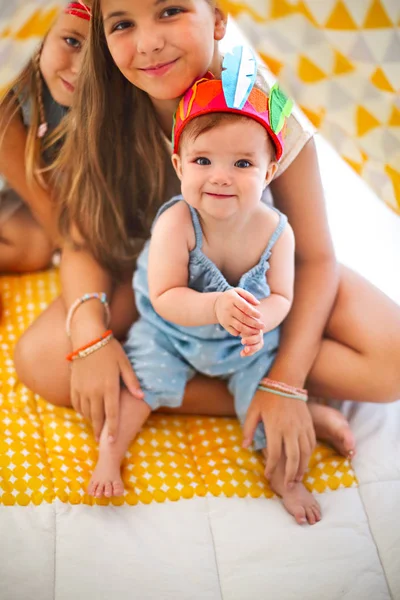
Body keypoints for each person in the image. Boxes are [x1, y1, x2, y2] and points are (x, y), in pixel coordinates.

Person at [14, 0, 400, 516]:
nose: (148, 41)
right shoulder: (105, 104)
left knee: (391, 360)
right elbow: (82, 238)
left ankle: (273, 393)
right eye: (123, 23)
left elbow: (313, 256)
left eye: (169, 11)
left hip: (256, 280)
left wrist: (285, 377)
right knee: (42, 360)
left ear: (218, 17)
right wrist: (89, 338)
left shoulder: (266, 105)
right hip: (162, 281)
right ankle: (252, 404)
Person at [85, 60, 321, 525]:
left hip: (244, 348)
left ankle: (287, 478)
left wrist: (261, 321)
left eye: (242, 163)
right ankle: (109, 455)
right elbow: (167, 295)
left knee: (267, 409)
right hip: (170, 333)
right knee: (135, 386)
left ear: (270, 170)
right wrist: (216, 304)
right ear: (178, 164)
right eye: (202, 161)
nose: (220, 176)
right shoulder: (177, 223)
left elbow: (282, 297)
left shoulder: (278, 232)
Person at [0, 1, 91, 275]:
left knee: (36, 246)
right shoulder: (13, 66)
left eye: (102, 57)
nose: (81, 70)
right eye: (72, 41)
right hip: (20, 182)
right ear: (43, 36)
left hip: (17, 196)